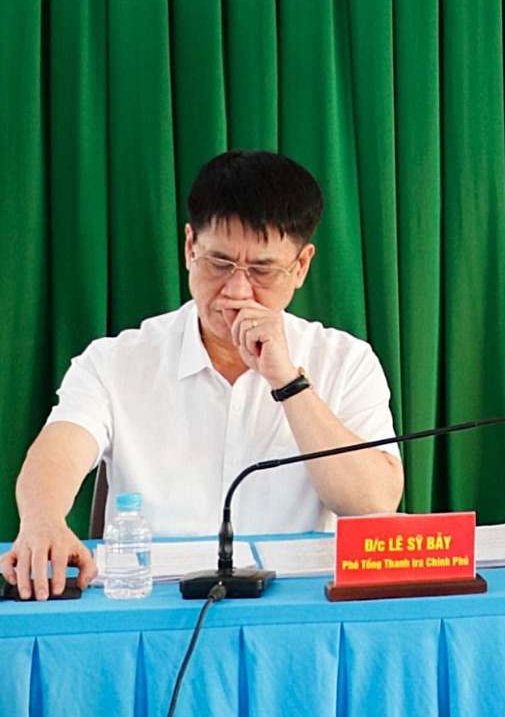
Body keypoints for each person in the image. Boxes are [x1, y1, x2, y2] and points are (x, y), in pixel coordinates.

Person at [2, 150, 404, 600]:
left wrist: (287, 381)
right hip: (151, 606)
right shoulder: (117, 361)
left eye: (262, 270)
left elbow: (373, 503)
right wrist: (42, 521)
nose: (236, 291)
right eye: (219, 263)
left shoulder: (346, 361)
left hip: (297, 609)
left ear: (302, 266)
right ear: (190, 247)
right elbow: (59, 450)